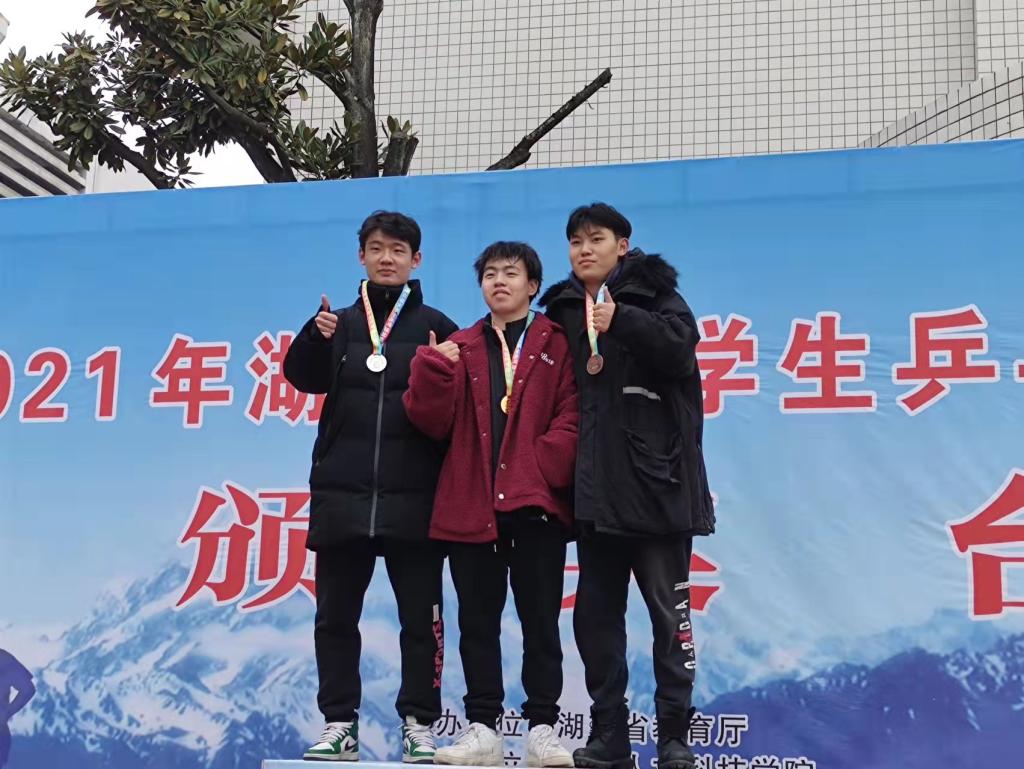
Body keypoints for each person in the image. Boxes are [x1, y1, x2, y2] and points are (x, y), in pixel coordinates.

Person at [539, 204, 715, 769]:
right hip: (595, 499)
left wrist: (624, 321)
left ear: (622, 244)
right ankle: (610, 738)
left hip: (659, 489)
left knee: (671, 619)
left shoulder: (656, 296)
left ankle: (674, 739)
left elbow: (680, 352)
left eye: (596, 239)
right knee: (595, 621)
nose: (584, 250)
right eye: (575, 242)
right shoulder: (562, 310)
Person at [284, 211, 458, 763]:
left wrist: (448, 364)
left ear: (416, 260)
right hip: (343, 495)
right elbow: (302, 378)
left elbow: (457, 409)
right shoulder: (335, 323)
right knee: (336, 619)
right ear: (361, 255)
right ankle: (339, 723)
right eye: (377, 248)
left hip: (416, 498)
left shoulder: (438, 327)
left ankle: (419, 725)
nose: (387, 258)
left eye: (398, 250)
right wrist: (313, 339)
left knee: (421, 621)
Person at [403, 242, 579, 768]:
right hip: (472, 507)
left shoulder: (557, 342)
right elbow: (430, 422)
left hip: (535, 507)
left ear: (532, 285)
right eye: (490, 274)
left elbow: (574, 413)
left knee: (540, 623)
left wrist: (540, 466)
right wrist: (433, 369)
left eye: (511, 273)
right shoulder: (460, 345)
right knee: (477, 624)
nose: (499, 281)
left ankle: (542, 729)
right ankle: (483, 728)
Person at [0, 649, 35, 769]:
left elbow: (28, 689)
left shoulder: (3, 659)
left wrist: (6, 714)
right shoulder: (4, 659)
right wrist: (6, 713)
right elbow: (28, 689)